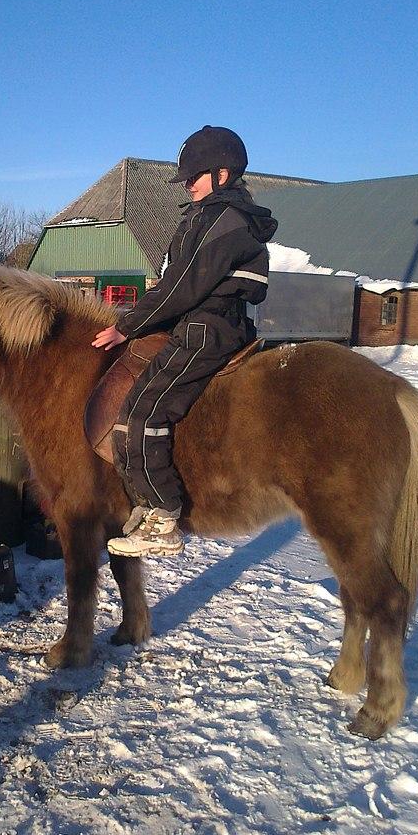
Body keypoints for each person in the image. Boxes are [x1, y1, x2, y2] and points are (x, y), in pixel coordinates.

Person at [92, 126, 278, 558]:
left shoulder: (223, 219)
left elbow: (183, 286)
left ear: (223, 174)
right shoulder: (207, 215)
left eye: (195, 175)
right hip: (201, 321)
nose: (189, 184)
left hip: (207, 327)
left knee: (143, 411)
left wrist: (129, 325)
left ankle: (162, 515)